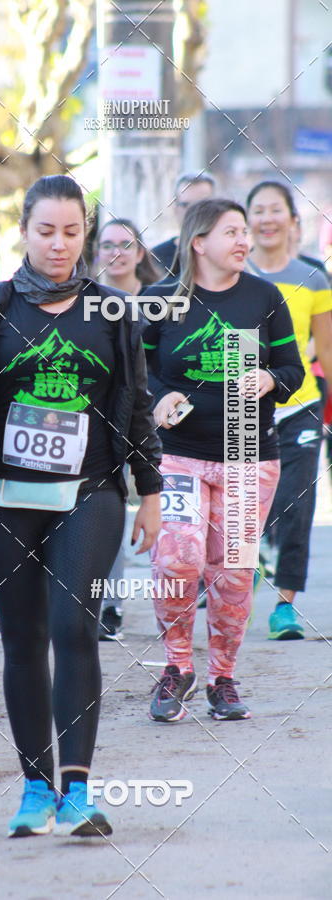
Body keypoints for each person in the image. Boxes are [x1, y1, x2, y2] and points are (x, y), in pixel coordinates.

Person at [0, 175, 163, 837]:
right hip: (3, 497)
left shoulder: (114, 312)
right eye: (46, 231)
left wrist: (150, 493)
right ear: (25, 233)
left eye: (71, 232)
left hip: (88, 495)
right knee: (24, 639)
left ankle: (77, 791)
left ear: (86, 235)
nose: (59, 244)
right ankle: (35, 789)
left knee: (73, 626)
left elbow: (138, 410)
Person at [143, 198, 304, 722]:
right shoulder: (160, 298)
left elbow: (292, 368)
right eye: (231, 232)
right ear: (199, 242)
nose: (244, 240)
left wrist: (269, 380)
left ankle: (223, 678)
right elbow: (135, 368)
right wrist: (155, 396)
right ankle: (176, 668)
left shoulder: (264, 296)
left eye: (244, 232)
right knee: (177, 559)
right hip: (180, 456)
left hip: (247, 454)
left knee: (232, 573)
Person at [246, 181, 332, 640]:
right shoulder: (232, 276)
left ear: (292, 220)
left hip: (299, 405)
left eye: (275, 210)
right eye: (258, 210)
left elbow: (328, 352)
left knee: (297, 503)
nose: (267, 218)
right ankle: (249, 569)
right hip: (241, 409)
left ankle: (285, 606)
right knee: (246, 507)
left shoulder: (313, 278)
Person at [94, 218, 160, 640]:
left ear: (139, 253)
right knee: (110, 513)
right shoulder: (86, 302)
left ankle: (177, 602)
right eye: (107, 245)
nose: (116, 252)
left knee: (165, 520)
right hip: (108, 424)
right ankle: (110, 606)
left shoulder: (161, 304)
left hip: (162, 422)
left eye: (125, 244)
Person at [151, 171, 216, 279]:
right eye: (186, 205)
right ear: (175, 209)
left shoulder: (226, 253)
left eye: (202, 204)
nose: (194, 212)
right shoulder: (155, 258)